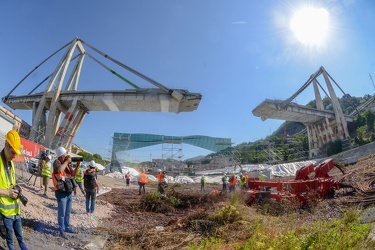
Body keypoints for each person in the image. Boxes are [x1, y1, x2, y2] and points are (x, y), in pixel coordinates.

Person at [0, 130, 28, 250]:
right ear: (6, 145)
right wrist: (8, 192)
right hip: (5, 213)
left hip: (16, 211)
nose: (14, 156)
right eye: (13, 152)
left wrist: (16, 189)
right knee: (10, 240)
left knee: (20, 238)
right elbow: (6, 189)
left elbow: (11, 183)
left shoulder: (10, 164)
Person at [52, 146, 78, 239]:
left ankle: (67, 227)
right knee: (62, 213)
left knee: (67, 212)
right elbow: (59, 170)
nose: (67, 155)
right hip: (61, 192)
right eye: (65, 154)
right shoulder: (56, 163)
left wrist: (77, 165)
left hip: (68, 191)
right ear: (61, 156)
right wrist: (67, 161)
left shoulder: (66, 164)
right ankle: (61, 230)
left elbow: (73, 174)